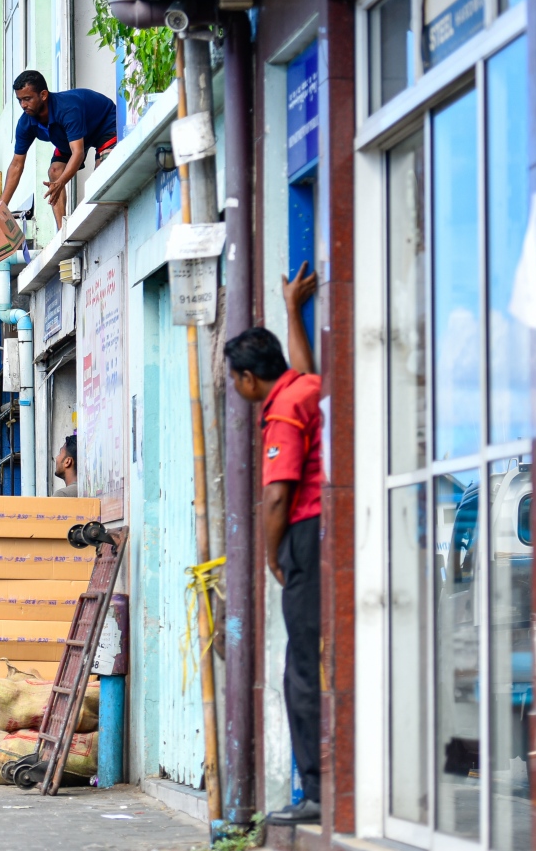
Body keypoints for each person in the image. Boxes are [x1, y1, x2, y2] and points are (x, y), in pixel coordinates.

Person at [224, 262, 324, 826]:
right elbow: (308, 374)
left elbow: (278, 498)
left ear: (245, 378)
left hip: (304, 536)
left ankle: (315, 790)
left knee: (302, 669)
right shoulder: (303, 391)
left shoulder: (281, 411)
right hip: (327, 531)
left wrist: (270, 555)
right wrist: (292, 309)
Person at [0, 70, 118, 229]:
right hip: (69, 137)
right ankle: (62, 231)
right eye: (19, 100)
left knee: (102, 173)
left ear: (43, 95)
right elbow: (17, 164)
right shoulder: (25, 123)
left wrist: (61, 183)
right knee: (55, 171)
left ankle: (103, 222)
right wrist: (1, 206)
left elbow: (78, 153)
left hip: (104, 126)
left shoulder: (67, 109)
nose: (23, 105)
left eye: (27, 99)